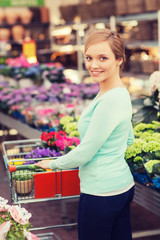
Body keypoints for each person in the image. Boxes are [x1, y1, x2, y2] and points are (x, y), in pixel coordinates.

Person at [35, 28, 135, 240]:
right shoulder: (118, 92)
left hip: (101, 194)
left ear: (119, 59)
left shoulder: (109, 100)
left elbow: (86, 152)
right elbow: (129, 139)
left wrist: (53, 164)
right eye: (89, 58)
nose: (93, 65)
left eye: (102, 58)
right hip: (121, 187)